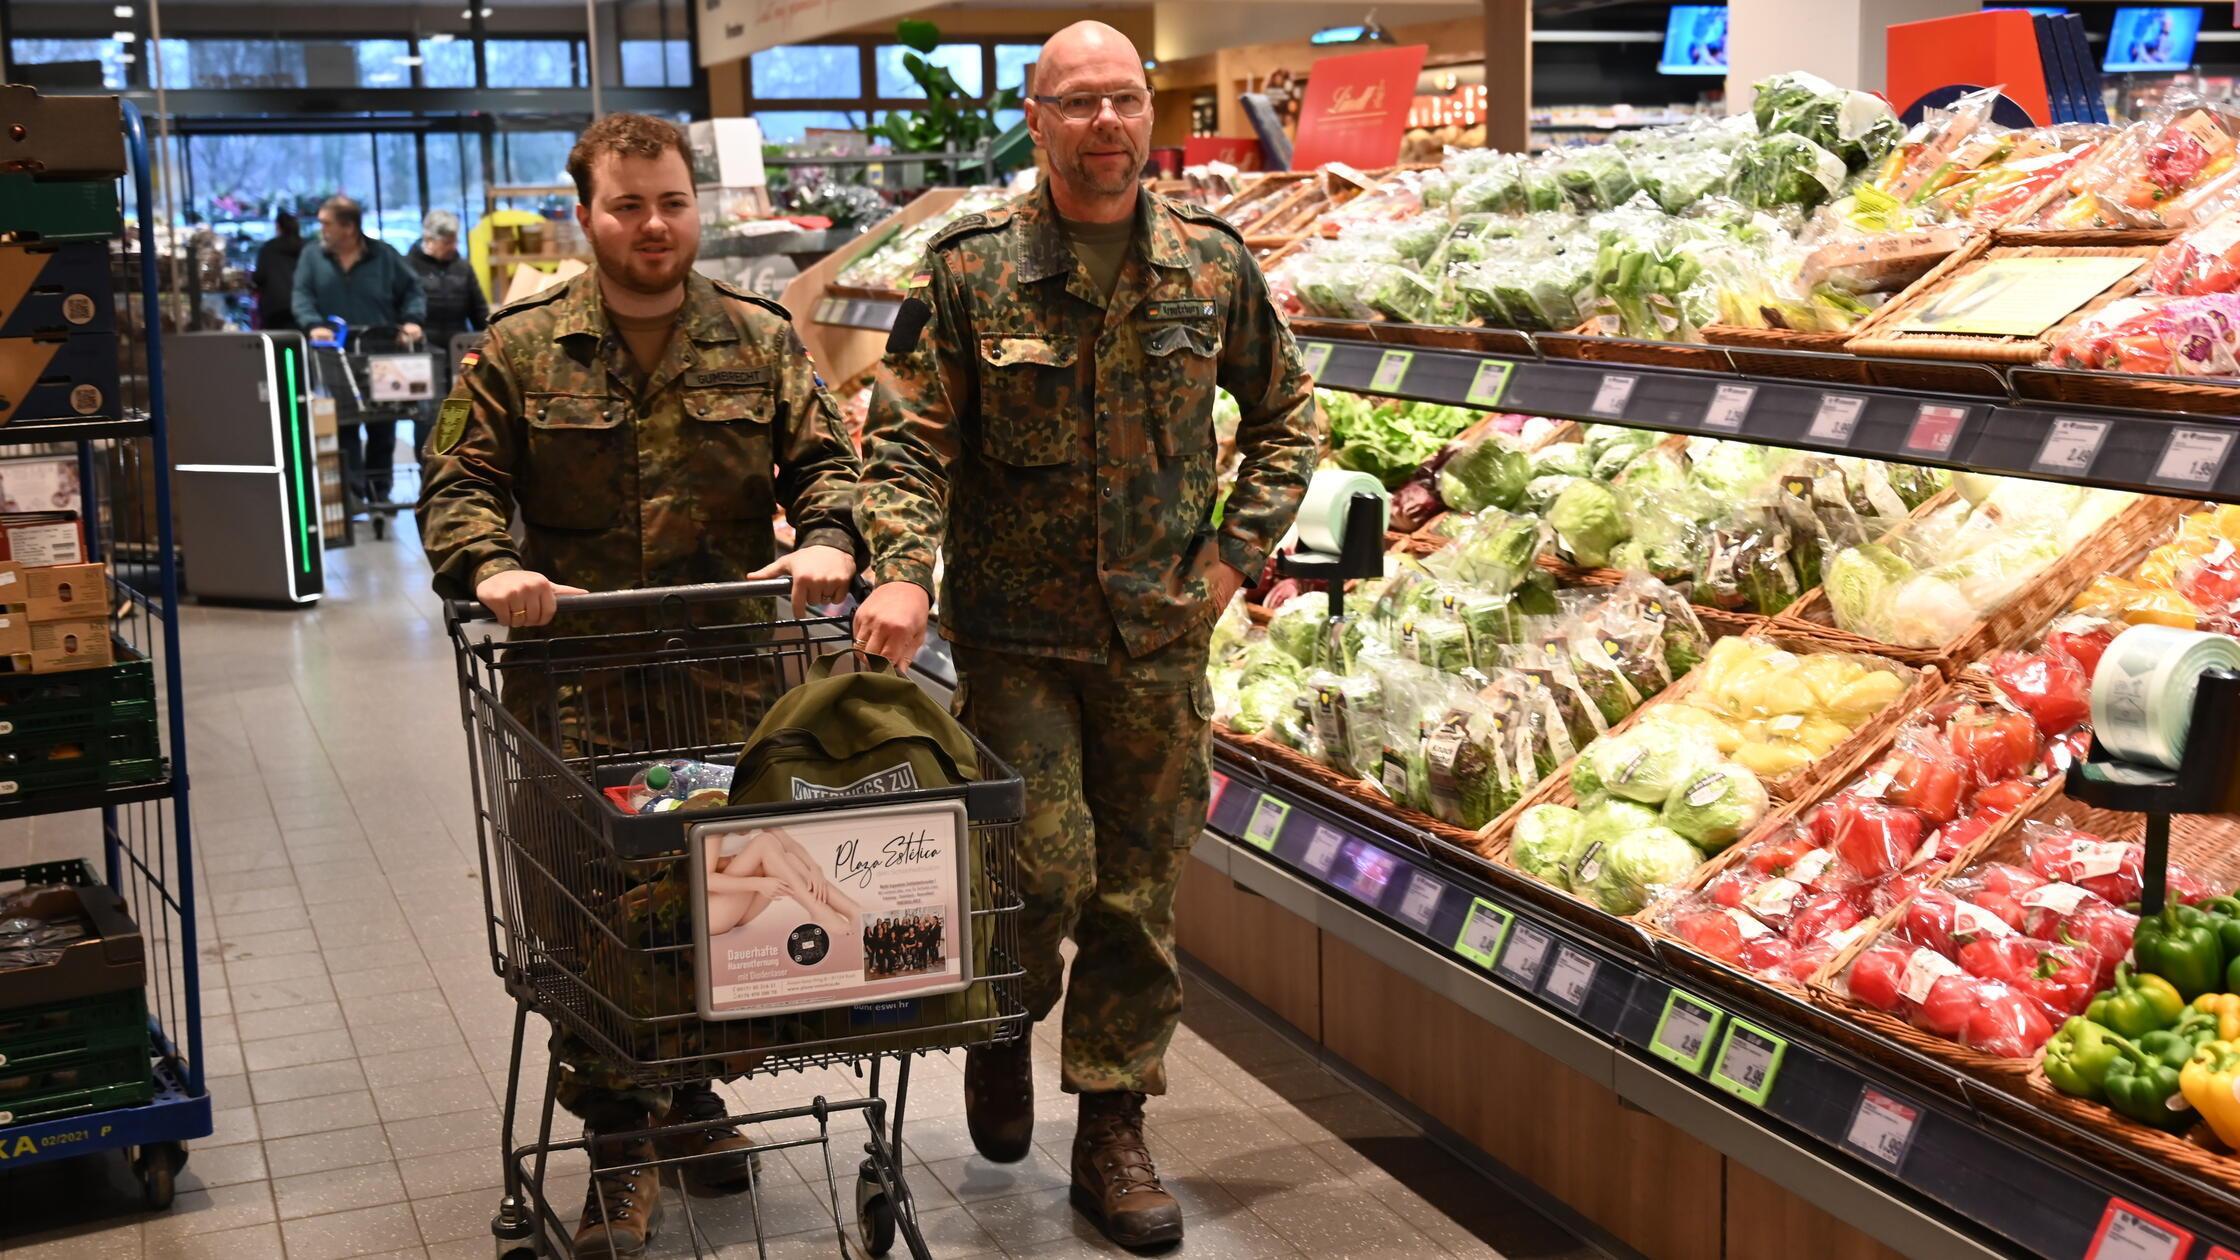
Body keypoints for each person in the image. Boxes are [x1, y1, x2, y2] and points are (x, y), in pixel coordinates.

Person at [853, 19, 1321, 1250]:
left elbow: (1288, 415)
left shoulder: (1211, 266)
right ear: (1034, 114)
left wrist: (1237, 553)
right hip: (1014, 639)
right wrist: (901, 572)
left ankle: (1111, 1125)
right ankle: (1006, 1020)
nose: (1104, 124)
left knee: (1137, 892)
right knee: (1039, 872)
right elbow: (903, 442)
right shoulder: (967, 271)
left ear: (1147, 114)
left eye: (1123, 100)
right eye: (1078, 103)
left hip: (1160, 639)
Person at [419, 112, 861, 1260]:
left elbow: (828, 467)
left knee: (722, 907)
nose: (652, 225)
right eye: (627, 205)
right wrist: (494, 562)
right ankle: (620, 1143)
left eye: (670, 202)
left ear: (694, 206)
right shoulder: (518, 349)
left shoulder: (758, 340)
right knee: (582, 921)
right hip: (574, 691)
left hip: (728, 687)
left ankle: (694, 1096)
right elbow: (456, 483)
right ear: (586, 212)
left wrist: (826, 538)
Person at [294, 194, 427, 505]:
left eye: (327, 223)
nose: (321, 229)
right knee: (345, 425)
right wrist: (313, 323)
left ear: (349, 227)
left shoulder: (384, 256)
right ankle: (353, 493)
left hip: (381, 351)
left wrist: (411, 321)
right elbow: (301, 295)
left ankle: (380, 492)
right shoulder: (312, 257)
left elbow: (413, 290)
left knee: (383, 424)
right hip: (334, 353)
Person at [406, 208, 490, 461]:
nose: (453, 247)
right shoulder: (409, 266)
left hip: (458, 351)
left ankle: (456, 465)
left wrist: (486, 337)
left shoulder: (462, 268)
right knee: (427, 415)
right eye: (448, 241)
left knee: (460, 411)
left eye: (455, 241)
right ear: (430, 240)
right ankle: (427, 469)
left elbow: (479, 309)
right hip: (424, 351)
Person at [252, 211, 304, 332]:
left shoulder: (268, 249)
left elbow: (259, 277)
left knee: (277, 345)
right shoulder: (307, 247)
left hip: (275, 307)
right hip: (303, 305)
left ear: (278, 227)